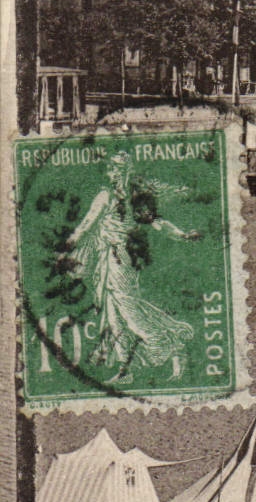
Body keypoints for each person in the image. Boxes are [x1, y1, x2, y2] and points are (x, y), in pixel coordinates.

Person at [65, 152, 202, 384]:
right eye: (110, 170)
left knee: (129, 311)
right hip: (108, 258)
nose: (112, 175)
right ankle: (125, 368)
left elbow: (157, 222)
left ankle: (169, 346)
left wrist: (182, 235)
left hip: (122, 259)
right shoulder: (107, 195)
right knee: (114, 314)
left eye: (116, 170)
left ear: (125, 171)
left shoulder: (133, 197)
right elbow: (86, 225)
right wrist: (69, 244)